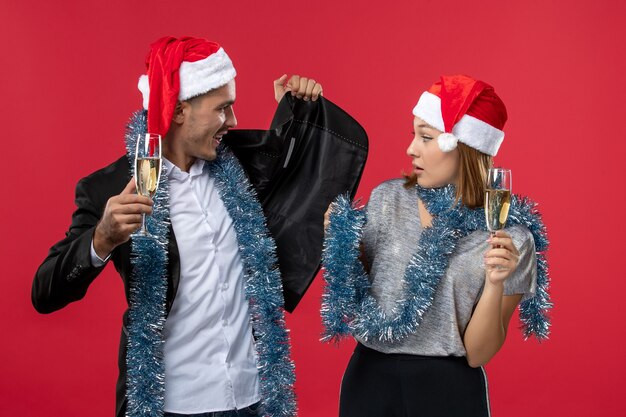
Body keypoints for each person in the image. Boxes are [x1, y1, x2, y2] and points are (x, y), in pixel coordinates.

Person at [32, 36, 344, 417]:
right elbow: (45, 293)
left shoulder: (241, 169)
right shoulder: (111, 188)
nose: (233, 121)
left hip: (256, 397)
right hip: (174, 404)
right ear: (179, 111)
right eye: (222, 109)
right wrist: (102, 238)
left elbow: (297, 171)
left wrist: (296, 108)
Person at [321, 74, 552, 417]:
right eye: (414, 134)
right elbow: (358, 294)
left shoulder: (511, 237)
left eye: (426, 137)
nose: (411, 148)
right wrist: (338, 240)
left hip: (449, 390)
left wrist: (495, 283)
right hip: (369, 381)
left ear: (466, 149)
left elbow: (477, 354)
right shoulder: (388, 200)